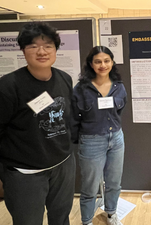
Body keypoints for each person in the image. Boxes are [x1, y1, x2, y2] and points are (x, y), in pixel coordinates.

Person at [0, 21, 75, 225]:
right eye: (33, 46)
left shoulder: (65, 78)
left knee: (61, 218)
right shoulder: (8, 86)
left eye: (48, 45)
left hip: (62, 165)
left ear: (56, 50)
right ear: (23, 51)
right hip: (26, 173)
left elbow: (66, 118)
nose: (41, 51)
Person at [71, 46, 127, 225]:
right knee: (89, 187)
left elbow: (119, 110)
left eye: (106, 61)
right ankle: (86, 221)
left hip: (116, 139)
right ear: (91, 64)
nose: (103, 65)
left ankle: (111, 214)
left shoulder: (119, 86)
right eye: (98, 61)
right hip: (91, 141)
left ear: (112, 62)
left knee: (114, 183)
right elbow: (74, 116)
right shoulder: (81, 89)